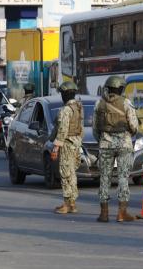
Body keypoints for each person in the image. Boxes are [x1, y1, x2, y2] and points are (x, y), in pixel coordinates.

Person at [93, 76, 139, 223]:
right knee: (123, 177)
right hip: (124, 144)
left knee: (104, 178)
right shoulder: (126, 103)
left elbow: (95, 128)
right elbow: (134, 126)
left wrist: (103, 139)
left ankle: (104, 213)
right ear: (121, 88)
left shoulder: (99, 103)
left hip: (105, 144)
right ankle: (121, 213)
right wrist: (127, 135)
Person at [51, 81, 84, 214]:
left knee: (65, 174)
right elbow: (80, 128)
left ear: (64, 94)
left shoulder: (65, 110)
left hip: (67, 143)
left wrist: (55, 148)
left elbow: (63, 130)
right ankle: (72, 203)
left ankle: (66, 204)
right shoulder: (78, 107)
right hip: (76, 143)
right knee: (72, 174)